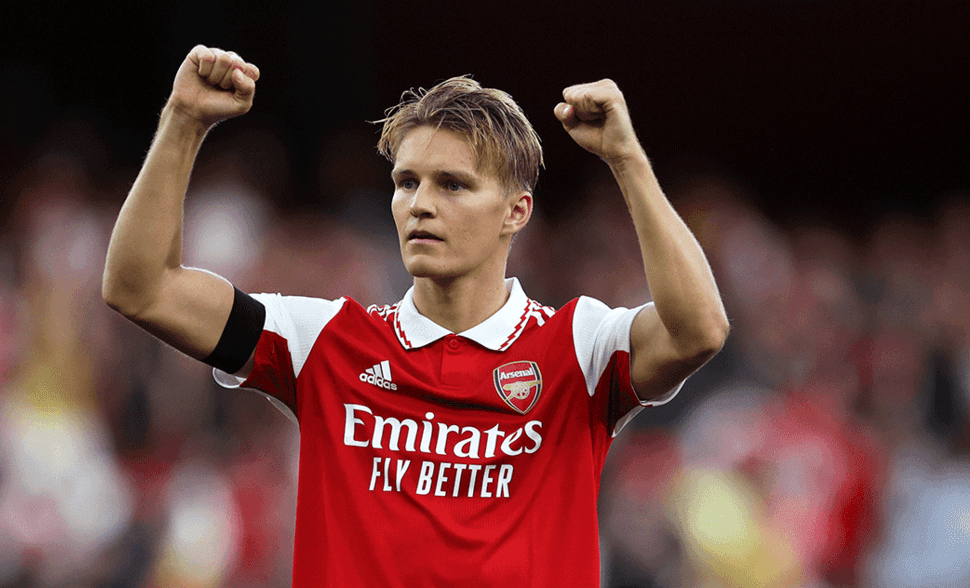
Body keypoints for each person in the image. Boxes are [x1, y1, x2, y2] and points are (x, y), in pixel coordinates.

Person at [103, 45, 729, 587]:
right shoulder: (322, 341)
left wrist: (627, 160)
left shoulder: (579, 347)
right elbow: (142, 288)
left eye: (452, 184)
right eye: (407, 182)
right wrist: (183, 120)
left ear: (516, 211)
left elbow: (700, 329)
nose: (419, 205)